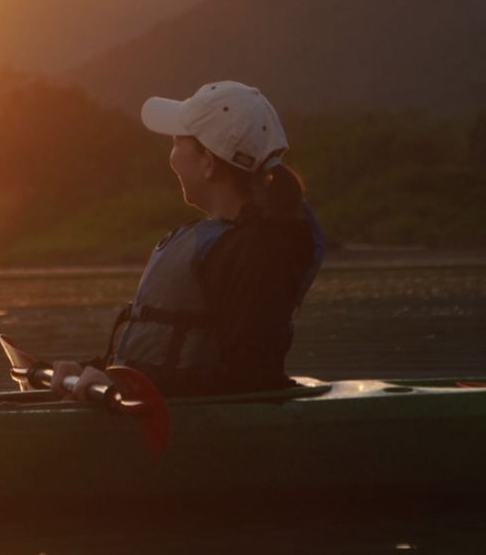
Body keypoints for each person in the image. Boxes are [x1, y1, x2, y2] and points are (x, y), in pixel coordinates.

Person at [53, 80, 324, 399]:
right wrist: (92, 369)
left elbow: (251, 376)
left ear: (207, 162)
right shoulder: (228, 242)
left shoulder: (259, 253)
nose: (172, 158)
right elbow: (171, 360)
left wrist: (129, 385)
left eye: (177, 143)